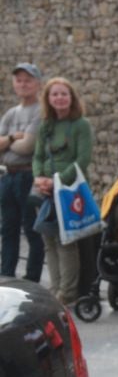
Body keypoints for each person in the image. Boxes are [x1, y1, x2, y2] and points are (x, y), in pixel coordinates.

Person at [31, 77, 93, 305]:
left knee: (66, 241)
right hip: (47, 191)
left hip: (68, 190)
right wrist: (39, 178)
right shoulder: (45, 126)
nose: (59, 98)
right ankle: (55, 286)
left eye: (63, 94)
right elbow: (37, 156)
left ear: (71, 97)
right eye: (54, 94)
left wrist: (56, 180)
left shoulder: (80, 125)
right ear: (48, 99)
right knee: (49, 239)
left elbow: (82, 160)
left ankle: (67, 291)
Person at [2, 63, 44, 282]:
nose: (23, 84)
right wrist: (12, 138)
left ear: (37, 83)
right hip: (8, 175)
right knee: (8, 229)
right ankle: (6, 275)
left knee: (31, 229)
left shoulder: (40, 111)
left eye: (27, 80)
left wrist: (9, 143)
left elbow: (29, 146)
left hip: (28, 175)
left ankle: (32, 279)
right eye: (19, 80)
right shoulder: (11, 113)